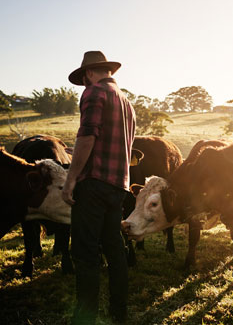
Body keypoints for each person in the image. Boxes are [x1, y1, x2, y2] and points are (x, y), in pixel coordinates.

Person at [63, 51, 135, 324]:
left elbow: (87, 134)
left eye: (83, 79)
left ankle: (85, 317)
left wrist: (71, 180)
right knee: (115, 249)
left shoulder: (94, 93)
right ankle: (119, 312)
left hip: (92, 183)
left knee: (84, 252)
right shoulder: (127, 101)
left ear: (89, 73)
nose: (83, 84)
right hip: (118, 185)